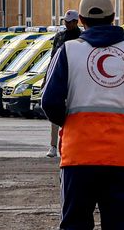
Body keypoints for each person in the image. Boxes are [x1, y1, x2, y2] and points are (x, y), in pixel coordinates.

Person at [41, 0, 124, 230]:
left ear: (81, 20)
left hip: (78, 155)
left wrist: (70, 123)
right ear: (113, 18)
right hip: (122, 156)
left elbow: (49, 101)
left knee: (75, 224)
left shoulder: (69, 51)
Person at [45, 9, 82, 158]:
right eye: (65, 21)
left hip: (75, 78)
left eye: (69, 22)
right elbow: (52, 58)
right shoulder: (59, 36)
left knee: (74, 114)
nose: (66, 24)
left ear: (76, 22)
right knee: (55, 110)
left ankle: (73, 145)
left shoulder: (82, 38)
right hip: (60, 77)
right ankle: (53, 146)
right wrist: (47, 78)